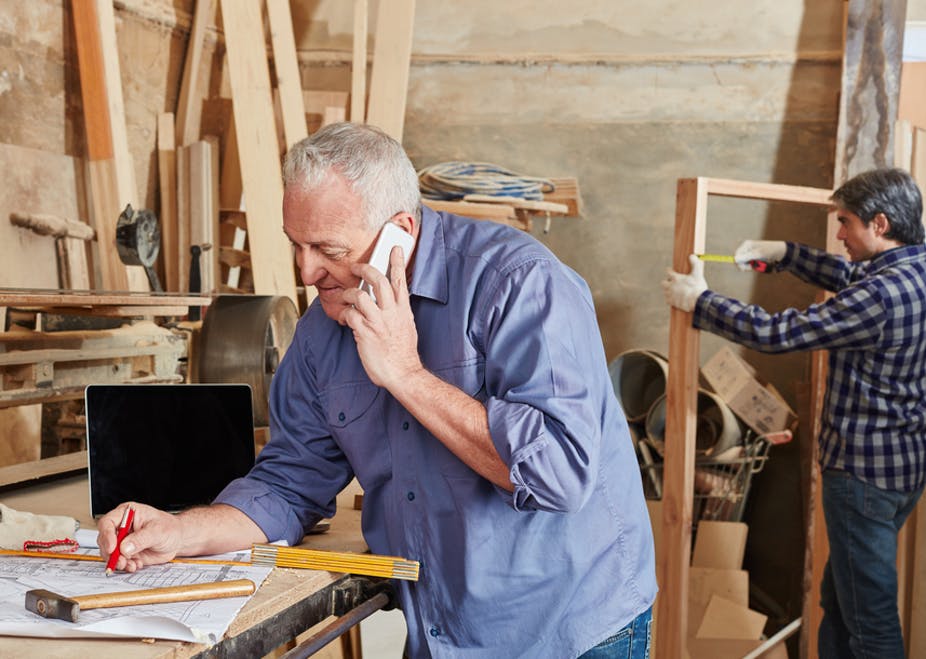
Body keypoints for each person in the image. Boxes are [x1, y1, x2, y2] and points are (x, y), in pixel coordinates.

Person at [98, 122, 656, 658]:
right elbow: (290, 484)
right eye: (297, 245)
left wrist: (406, 375)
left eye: (329, 250)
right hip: (442, 628)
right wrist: (179, 531)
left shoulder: (519, 284)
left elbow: (560, 474)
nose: (307, 272)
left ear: (401, 231)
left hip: (569, 628)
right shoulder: (322, 333)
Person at [661, 167, 926, 659]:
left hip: (862, 476)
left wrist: (701, 302)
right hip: (901, 469)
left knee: (869, 624)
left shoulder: (880, 296)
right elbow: (852, 275)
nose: (840, 235)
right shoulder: (913, 273)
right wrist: (785, 255)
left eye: (846, 223)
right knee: (843, 603)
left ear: (881, 224)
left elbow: (778, 333)